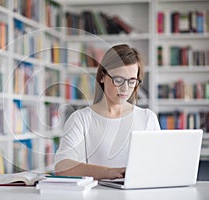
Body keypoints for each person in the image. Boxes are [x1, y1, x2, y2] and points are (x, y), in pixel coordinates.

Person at [54, 44, 161, 180]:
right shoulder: (81, 119)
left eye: (132, 81)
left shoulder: (147, 118)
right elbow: (62, 166)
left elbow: (158, 164)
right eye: (118, 80)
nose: (125, 88)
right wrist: (107, 172)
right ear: (102, 77)